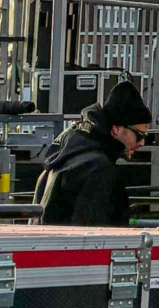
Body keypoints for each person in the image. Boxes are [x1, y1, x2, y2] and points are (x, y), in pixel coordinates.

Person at [34, 80, 152, 226]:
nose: (142, 143)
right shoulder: (99, 170)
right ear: (116, 129)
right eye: (140, 135)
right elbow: (95, 236)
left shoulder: (67, 154)